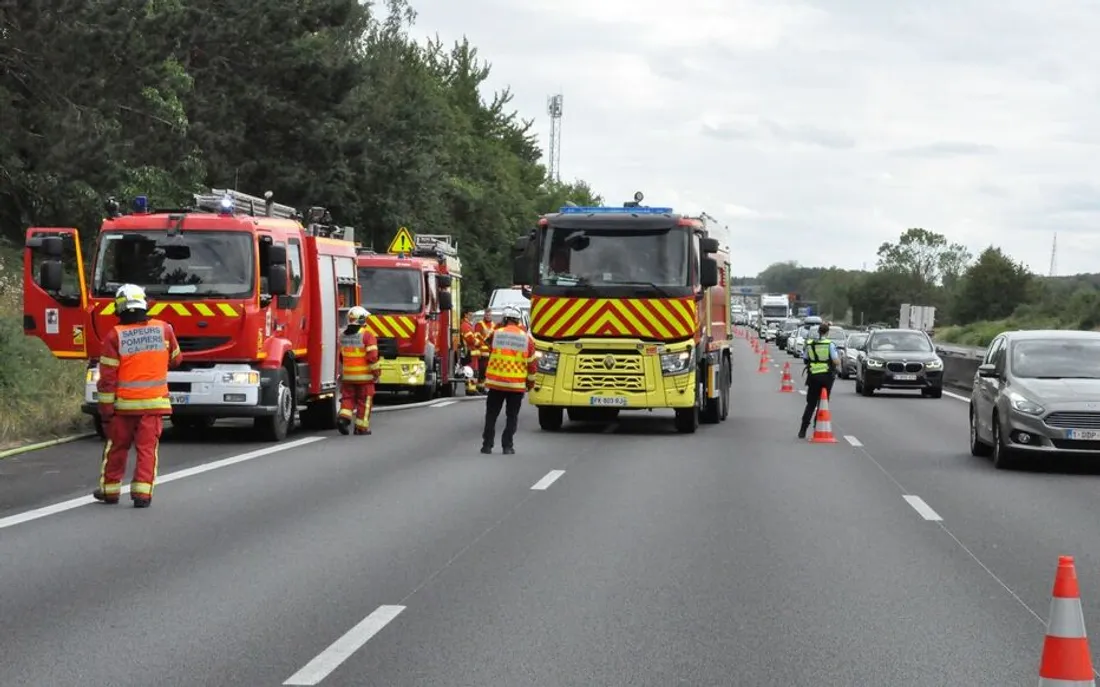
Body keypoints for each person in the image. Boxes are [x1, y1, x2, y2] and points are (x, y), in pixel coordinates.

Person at [93, 284, 182, 508]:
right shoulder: (164, 329)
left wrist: (105, 413)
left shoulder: (115, 336)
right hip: (153, 406)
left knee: (116, 447)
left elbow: (107, 380)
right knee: (147, 450)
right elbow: (176, 359)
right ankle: (142, 494)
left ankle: (109, 490)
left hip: (123, 408)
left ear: (120, 308)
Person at [480, 306, 537, 454]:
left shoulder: (497, 334)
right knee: (512, 416)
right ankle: (507, 446)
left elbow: (487, 343)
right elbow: (532, 365)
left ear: (504, 319)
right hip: (516, 385)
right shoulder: (527, 339)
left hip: (496, 383)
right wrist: (530, 384)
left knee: (491, 415)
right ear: (518, 320)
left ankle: (487, 445)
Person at [338, 306, 381, 435]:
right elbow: (372, 357)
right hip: (365, 378)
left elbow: (341, 357)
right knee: (364, 402)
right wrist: (376, 373)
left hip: (348, 376)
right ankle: (361, 428)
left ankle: (343, 419)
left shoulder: (343, 336)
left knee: (348, 399)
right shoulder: (367, 335)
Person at [799, 321, 841, 438]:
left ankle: (803, 429)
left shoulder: (810, 344)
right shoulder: (830, 344)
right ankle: (818, 426)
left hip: (813, 376)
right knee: (823, 403)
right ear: (827, 332)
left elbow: (805, 358)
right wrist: (838, 361)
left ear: (818, 332)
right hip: (826, 377)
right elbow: (835, 361)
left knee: (810, 404)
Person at [473, 310, 496, 394]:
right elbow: (476, 337)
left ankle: (483, 387)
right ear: (484, 315)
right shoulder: (479, 324)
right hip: (481, 352)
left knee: (487, 371)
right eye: (487, 314)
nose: (488, 316)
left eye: (489, 314)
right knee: (481, 370)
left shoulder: (494, 325)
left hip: (490, 352)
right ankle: (480, 387)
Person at [460, 312, 479, 394]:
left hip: (472, 352)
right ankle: (470, 389)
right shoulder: (465, 325)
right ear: (466, 315)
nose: (472, 317)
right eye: (470, 315)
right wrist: (478, 342)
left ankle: (472, 388)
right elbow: (470, 339)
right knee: (470, 371)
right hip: (469, 352)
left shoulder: (468, 325)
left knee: (473, 371)